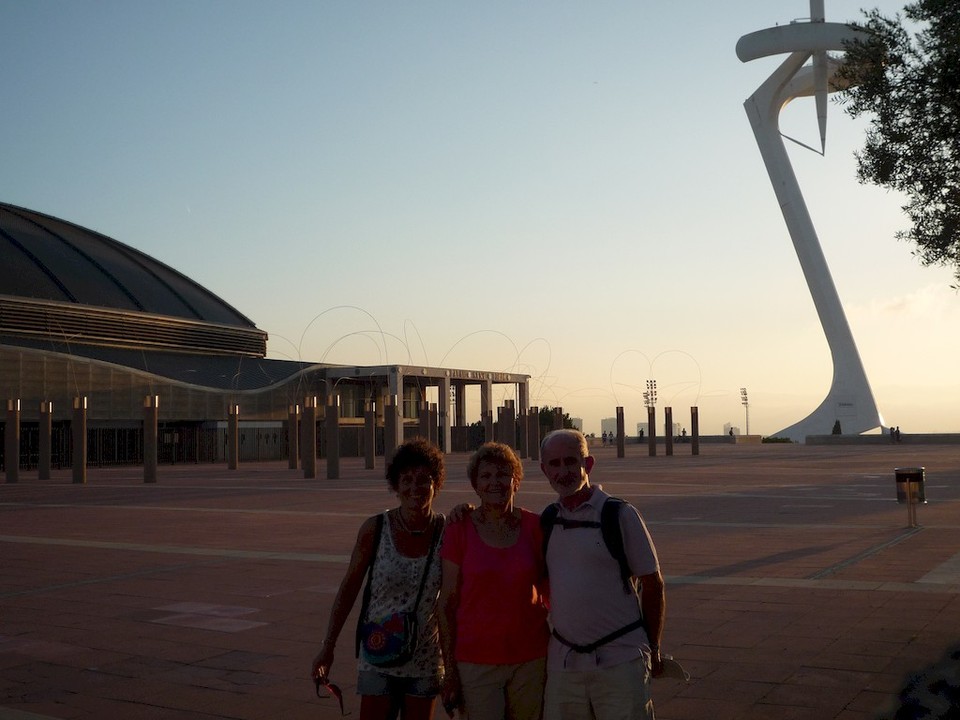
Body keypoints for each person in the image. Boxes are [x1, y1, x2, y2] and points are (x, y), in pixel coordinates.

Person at [312, 438, 446, 720]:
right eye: (406, 480)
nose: (414, 488)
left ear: (436, 484)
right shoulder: (375, 529)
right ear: (395, 486)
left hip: (426, 658)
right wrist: (328, 647)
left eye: (423, 480)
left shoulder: (448, 531)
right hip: (377, 653)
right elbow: (349, 589)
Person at [539, 428, 665, 720]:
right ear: (544, 469)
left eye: (571, 461)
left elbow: (653, 583)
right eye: (554, 464)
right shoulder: (547, 519)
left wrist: (654, 647)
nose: (563, 471)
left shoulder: (619, 515)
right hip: (564, 664)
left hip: (620, 660)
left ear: (588, 464)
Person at [439, 442, 549, 720]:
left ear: (516, 481)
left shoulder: (535, 527)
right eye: (485, 476)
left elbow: (554, 588)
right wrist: (450, 671)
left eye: (502, 475)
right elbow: (447, 603)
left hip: (531, 657)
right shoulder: (459, 528)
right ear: (475, 485)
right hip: (476, 661)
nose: (494, 483)